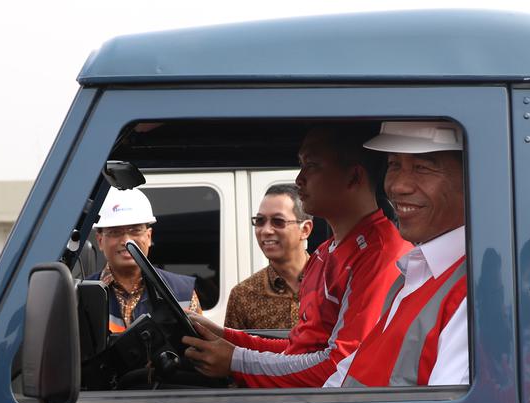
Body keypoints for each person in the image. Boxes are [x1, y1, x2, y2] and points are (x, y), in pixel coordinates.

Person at [182, 124, 411, 387]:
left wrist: (237, 360)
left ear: (353, 177)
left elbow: (340, 368)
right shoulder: (325, 252)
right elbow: (299, 349)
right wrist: (225, 337)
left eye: (311, 165)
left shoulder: (380, 255)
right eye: (301, 165)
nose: (299, 179)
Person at [325, 121, 469, 387]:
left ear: (472, 177)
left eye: (422, 168)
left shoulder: (473, 293)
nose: (398, 186)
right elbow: (352, 370)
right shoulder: (414, 271)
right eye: (394, 165)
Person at [88, 187, 201, 333]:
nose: (126, 240)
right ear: (100, 240)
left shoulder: (183, 292)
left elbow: (199, 351)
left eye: (135, 230)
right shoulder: (82, 295)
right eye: (115, 232)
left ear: (148, 237)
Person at [223, 183, 312, 330]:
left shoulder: (331, 283)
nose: (266, 230)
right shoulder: (243, 295)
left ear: (305, 230)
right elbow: (231, 351)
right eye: (260, 221)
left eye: (278, 221)